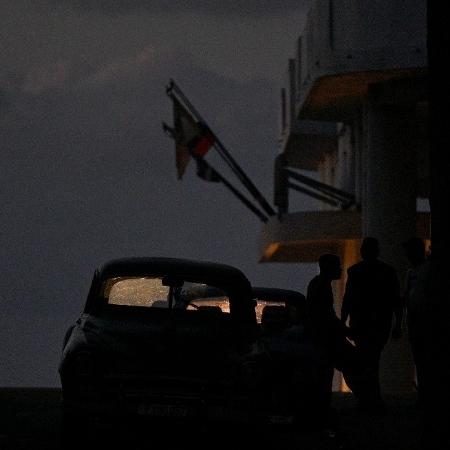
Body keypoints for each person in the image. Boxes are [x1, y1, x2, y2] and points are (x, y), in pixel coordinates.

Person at [341, 237, 402, 411]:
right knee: (373, 360)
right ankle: (373, 397)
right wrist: (398, 324)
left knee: (365, 361)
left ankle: (368, 397)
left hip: (360, 325)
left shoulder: (355, 271)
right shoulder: (388, 272)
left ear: (362, 252)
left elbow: (348, 299)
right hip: (380, 325)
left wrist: (342, 321)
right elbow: (395, 300)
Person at [306, 254, 348, 428]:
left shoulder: (319, 284)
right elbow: (325, 315)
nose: (340, 269)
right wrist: (342, 329)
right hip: (322, 339)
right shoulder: (320, 286)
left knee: (324, 374)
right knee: (324, 374)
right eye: (337, 266)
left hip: (322, 337)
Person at [402, 237, 431, 407]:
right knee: (420, 360)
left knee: (425, 359)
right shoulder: (410, 273)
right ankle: (423, 395)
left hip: (426, 322)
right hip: (415, 322)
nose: (407, 256)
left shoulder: (428, 270)